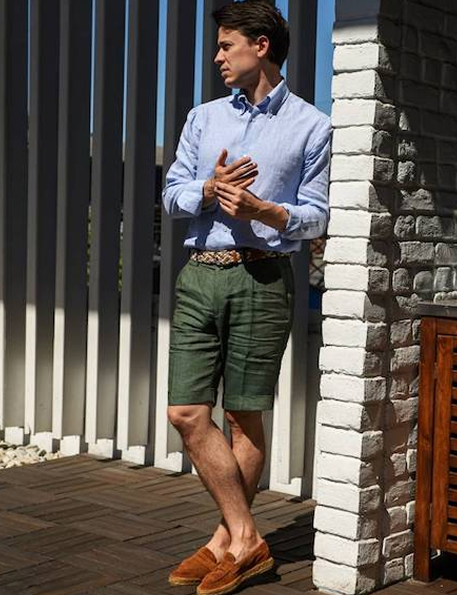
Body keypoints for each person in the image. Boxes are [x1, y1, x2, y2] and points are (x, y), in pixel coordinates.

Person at [162, 1, 331, 594]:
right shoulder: (203, 118)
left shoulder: (312, 126)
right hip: (199, 275)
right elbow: (172, 193)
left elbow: (317, 216)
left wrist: (265, 210)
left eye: (225, 45)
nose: (217, 57)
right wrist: (209, 190)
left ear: (261, 46)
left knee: (242, 414)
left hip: (263, 277)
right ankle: (246, 536)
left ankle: (223, 543)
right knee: (185, 413)